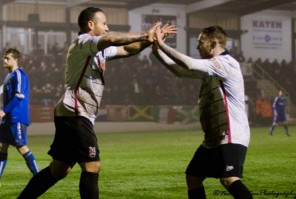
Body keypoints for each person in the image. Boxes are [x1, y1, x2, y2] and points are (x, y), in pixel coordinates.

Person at [17, 7, 176, 199]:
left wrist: (148, 41)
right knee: (92, 166)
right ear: (91, 25)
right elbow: (111, 39)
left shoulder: (98, 49)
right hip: (76, 112)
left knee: (59, 169)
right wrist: (144, 33)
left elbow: (126, 49)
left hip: (72, 113)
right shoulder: (83, 42)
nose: (108, 28)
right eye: (104, 23)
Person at [152, 25, 252, 199]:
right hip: (214, 137)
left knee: (228, 179)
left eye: (200, 42)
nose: (197, 46)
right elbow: (180, 70)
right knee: (193, 178)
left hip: (231, 133)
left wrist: (161, 44)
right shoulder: (212, 67)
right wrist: (156, 51)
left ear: (213, 43)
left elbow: (189, 64)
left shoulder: (225, 63)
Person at [0, 48, 39, 187]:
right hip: (7, 119)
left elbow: (19, 95)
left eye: (7, 58)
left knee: (22, 147)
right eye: (4, 58)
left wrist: (4, 111)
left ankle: (40, 179)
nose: (4, 60)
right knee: (2, 148)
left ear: (15, 60)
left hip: (16, 117)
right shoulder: (8, 77)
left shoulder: (19, 74)